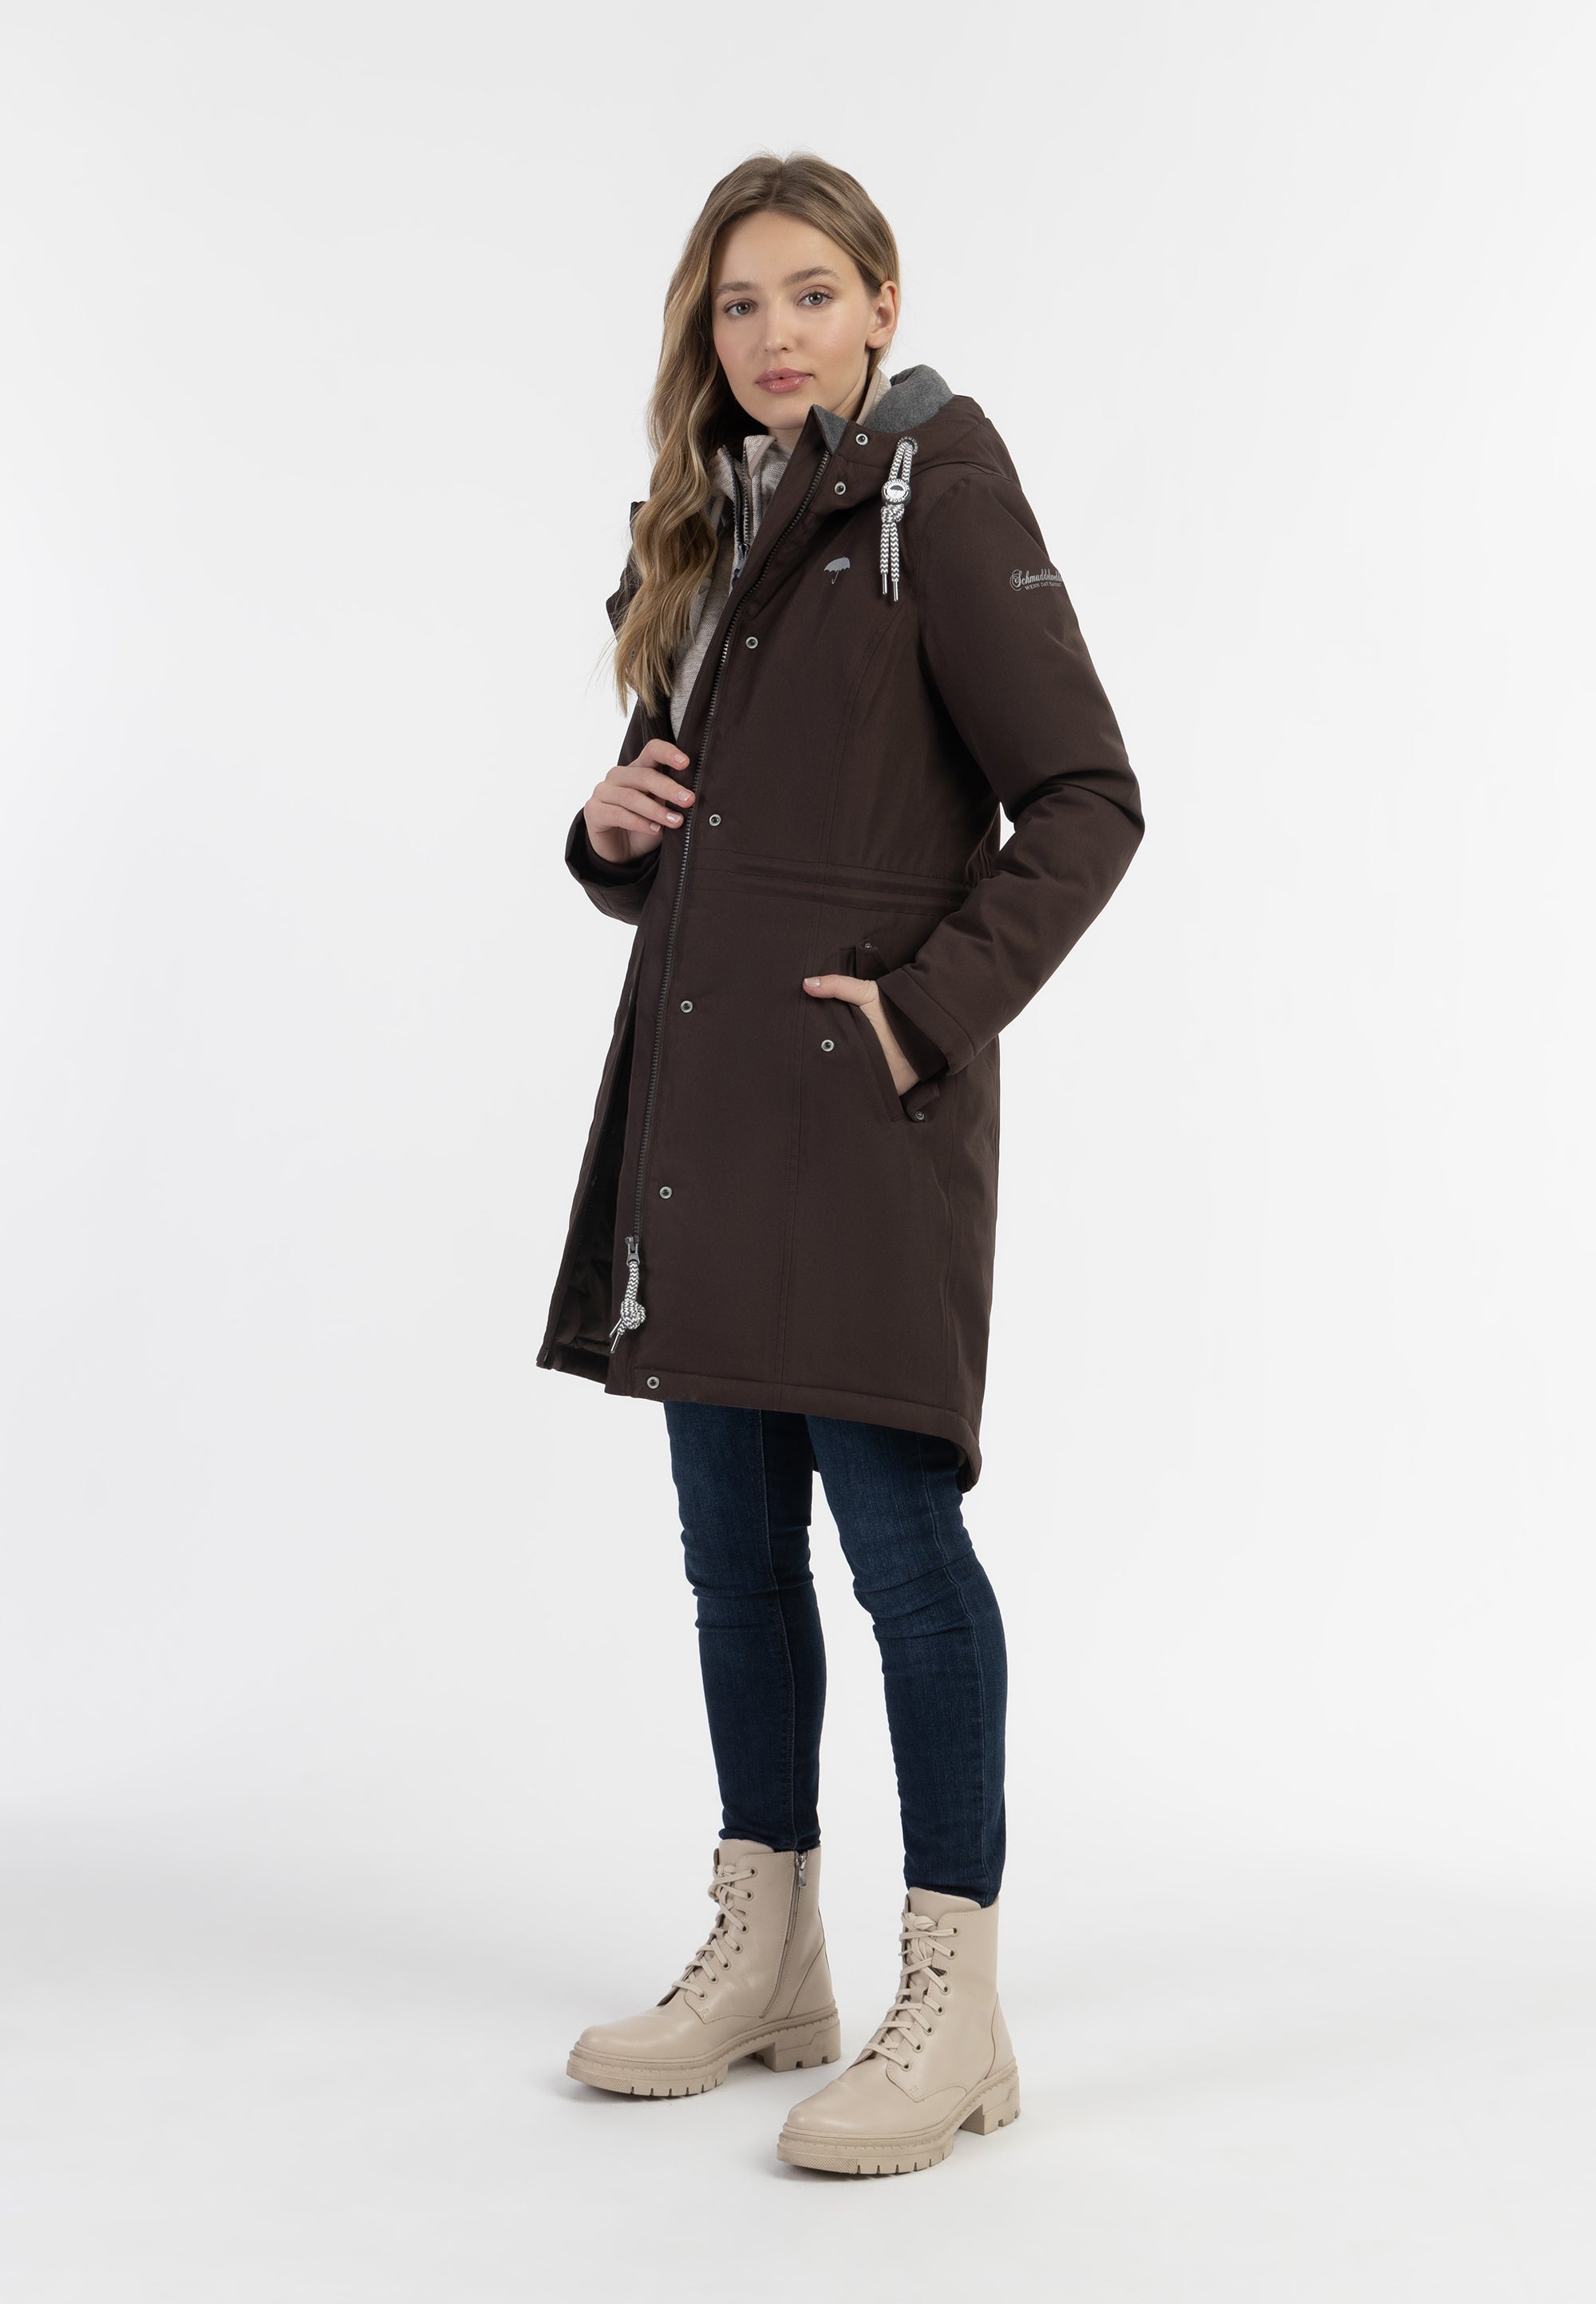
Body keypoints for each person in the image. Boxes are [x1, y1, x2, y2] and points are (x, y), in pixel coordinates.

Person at [539, 152, 1143, 2176]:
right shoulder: (718, 521)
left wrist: (917, 1008)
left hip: (862, 1118)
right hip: (707, 1117)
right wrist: (611, 829)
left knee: (900, 1555)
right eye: (739, 305)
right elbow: (715, 836)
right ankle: (768, 1954)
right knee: (731, 1555)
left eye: (811, 293)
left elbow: (1087, 798)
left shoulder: (936, 491)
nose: (774, 334)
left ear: (885, 301)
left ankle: (952, 2005)